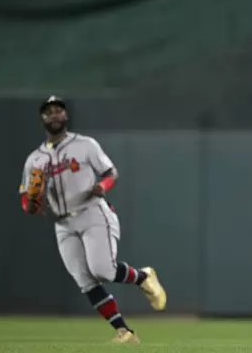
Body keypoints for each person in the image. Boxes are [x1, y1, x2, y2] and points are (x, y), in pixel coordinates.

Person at [19, 96, 166, 343]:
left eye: (59, 110)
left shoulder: (85, 145)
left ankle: (143, 277)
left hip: (92, 213)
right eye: (49, 112)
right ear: (42, 119)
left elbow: (111, 172)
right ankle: (124, 332)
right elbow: (26, 199)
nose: (54, 115)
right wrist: (31, 204)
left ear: (66, 116)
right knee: (85, 281)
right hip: (63, 224)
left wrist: (102, 185)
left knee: (102, 270)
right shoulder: (34, 160)